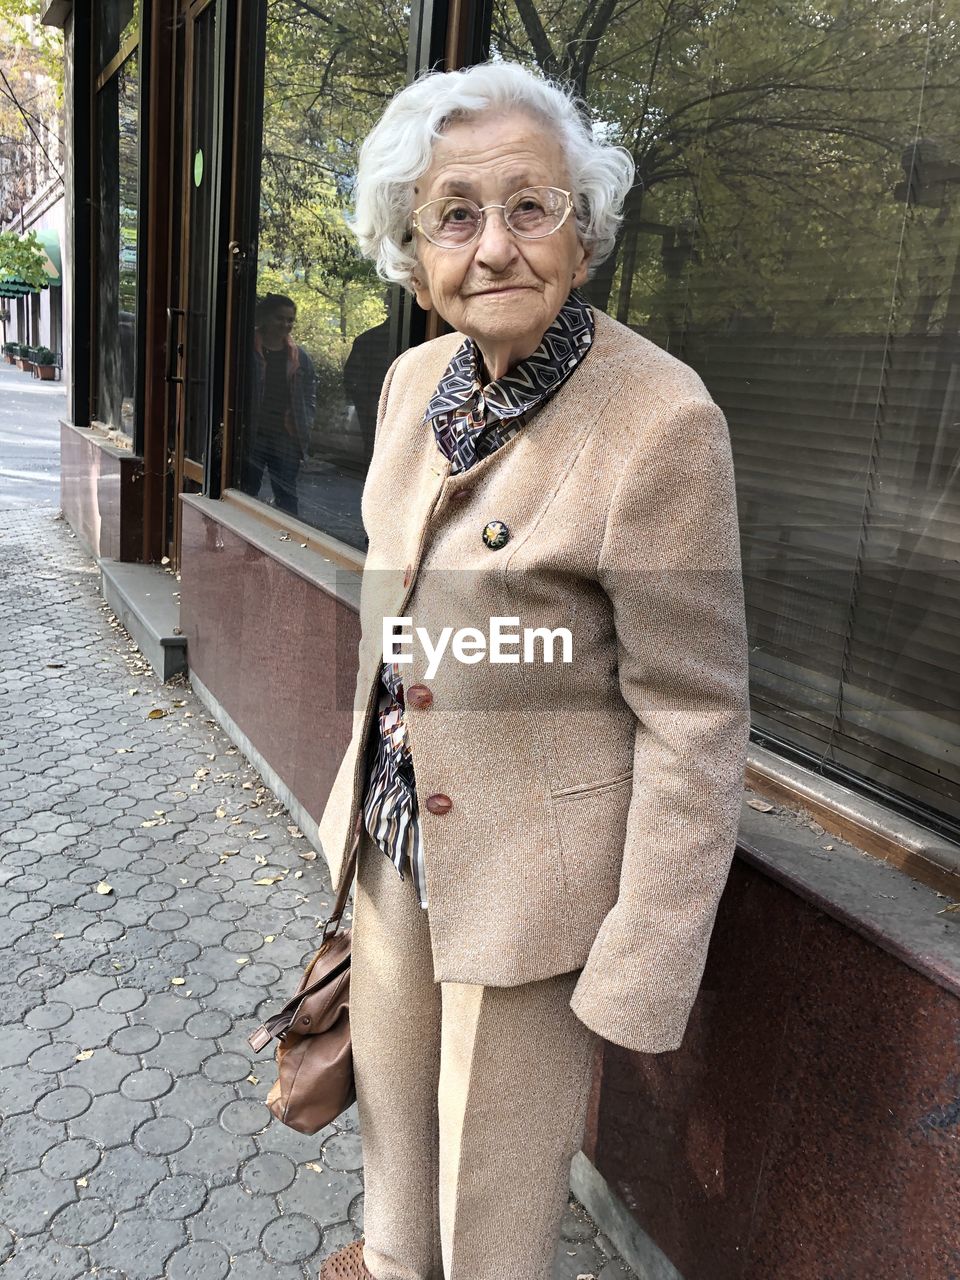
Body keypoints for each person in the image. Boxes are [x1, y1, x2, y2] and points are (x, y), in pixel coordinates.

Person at [316, 60, 750, 1280]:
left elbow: (697, 716)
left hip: (537, 892)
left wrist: (644, 962)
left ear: (585, 226)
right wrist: (352, 803)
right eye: (456, 214)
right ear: (412, 249)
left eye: (530, 205)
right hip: (398, 848)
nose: (494, 245)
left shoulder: (662, 421)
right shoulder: (414, 384)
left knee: (491, 1219)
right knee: (398, 1165)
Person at [243, 293, 316, 517]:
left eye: (290, 320)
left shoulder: (299, 357)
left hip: (285, 436)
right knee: (245, 492)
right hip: (253, 435)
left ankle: (289, 541)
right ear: (265, 318)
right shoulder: (246, 350)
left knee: (287, 496)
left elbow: (309, 394)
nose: (286, 324)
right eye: (280, 318)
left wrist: (306, 424)